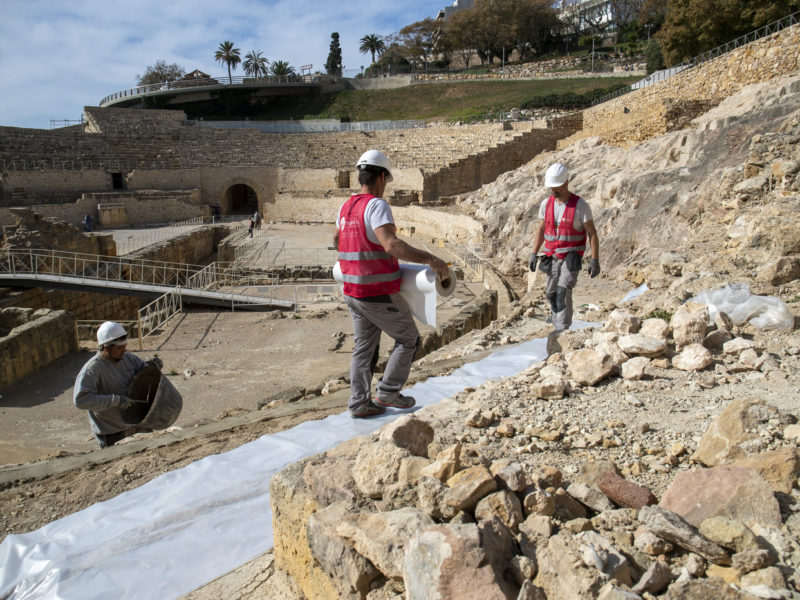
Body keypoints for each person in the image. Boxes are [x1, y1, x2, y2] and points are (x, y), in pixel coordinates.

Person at [335, 150, 449, 418]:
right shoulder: (376, 205)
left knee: (363, 349)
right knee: (408, 338)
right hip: (376, 292)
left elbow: (336, 239)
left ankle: (359, 403)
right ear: (382, 177)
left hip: (351, 290)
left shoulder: (345, 207)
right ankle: (388, 391)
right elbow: (391, 244)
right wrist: (431, 260)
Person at [529, 163, 600, 332]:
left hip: (570, 257)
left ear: (566, 182)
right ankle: (557, 323)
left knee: (562, 292)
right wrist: (534, 253)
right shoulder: (546, 204)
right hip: (551, 257)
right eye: (551, 187)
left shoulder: (580, 206)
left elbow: (592, 233)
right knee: (551, 294)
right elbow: (540, 229)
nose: (554, 190)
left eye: (557, 187)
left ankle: (562, 330)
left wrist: (595, 260)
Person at [73, 321, 159, 448]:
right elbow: (81, 400)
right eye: (119, 348)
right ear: (106, 347)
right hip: (113, 434)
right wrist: (116, 400)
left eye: (125, 345)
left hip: (137, 426)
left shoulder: (128, 358)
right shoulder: (92, 370)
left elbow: (144, 371)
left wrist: (152, 367)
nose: (124, 350)